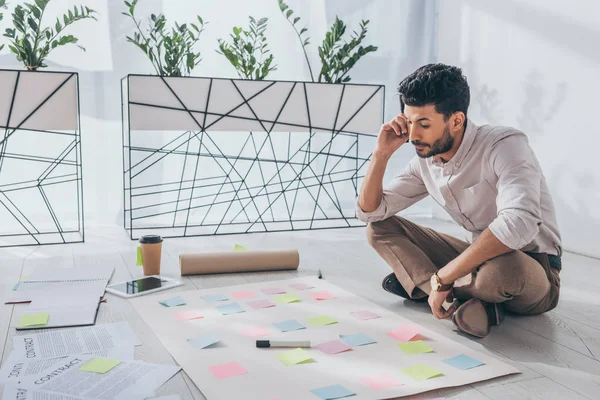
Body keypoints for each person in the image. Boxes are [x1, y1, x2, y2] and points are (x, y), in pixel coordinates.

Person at [356, 63, 562, 338]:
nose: (413, 135)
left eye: (424, 124)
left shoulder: (504, 145)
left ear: (456, 120)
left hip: (533, 267)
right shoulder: (426, 160)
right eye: (410, 122)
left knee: (502, 271)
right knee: (379, 228)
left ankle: (424, 285)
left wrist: (443, 276)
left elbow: (518, 224)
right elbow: (371, 212)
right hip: (474, 259)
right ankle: (457, 300)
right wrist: (380, 154)